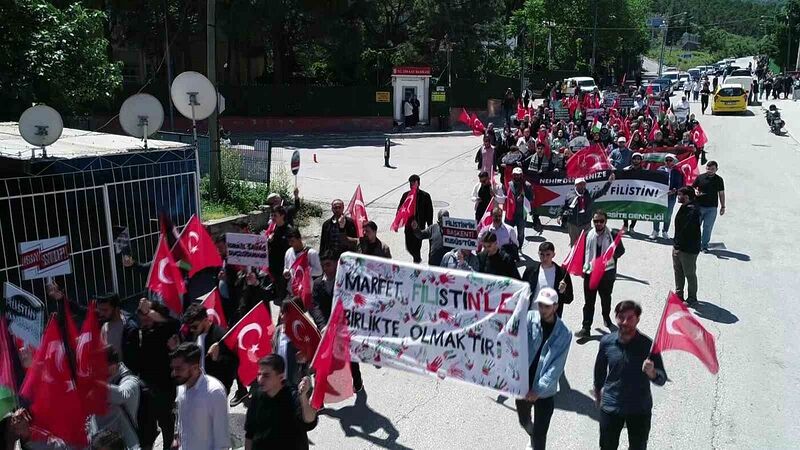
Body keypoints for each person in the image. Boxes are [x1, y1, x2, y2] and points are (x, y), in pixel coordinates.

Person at [593, 301, 667, 450]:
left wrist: (652, 373)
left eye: (630, 318)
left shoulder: (648, 346)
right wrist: (598, 394)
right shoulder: (606, 342)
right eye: (621, 317)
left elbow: (661, 379)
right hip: (611, 405)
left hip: (639, 408)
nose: (625, 322)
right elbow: (599, 370)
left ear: (638, 319)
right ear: (615, 317)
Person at [514, 288, 571, 450]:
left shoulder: (564, 333)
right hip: (523, 385)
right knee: (524, 420)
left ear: (555, 307)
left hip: (544, 392)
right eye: (540, 305)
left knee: (541, 434)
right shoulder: (529, 318)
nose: (543, 309)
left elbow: (556, 367)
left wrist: (538, 390)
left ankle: (536, 440)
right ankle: (531, 433)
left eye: (547, 306)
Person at [308, 251, 364, 393]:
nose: (326, 268)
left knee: (351, 357)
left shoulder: (347, 282)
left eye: (328, 264)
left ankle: (357, 382)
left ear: (336, 264)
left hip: (345, 327)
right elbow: (315, 306)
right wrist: (322, 325)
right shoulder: (317, 284)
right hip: (326, 330)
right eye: (323, 265)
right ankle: (319, 396)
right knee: (322, 362)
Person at [244, 355, 318, 450]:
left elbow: (309, 420)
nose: (260, 380)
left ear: (280, 377)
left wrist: (303, 397)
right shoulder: (258, 395)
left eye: (266, 375)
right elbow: (250, 432)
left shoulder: (293, 396)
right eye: (259, 374)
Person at [134, 299, 180, 445]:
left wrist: (149, 311)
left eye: (148, 318)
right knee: (148, 426)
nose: (145, 322)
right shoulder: (140, 332)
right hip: (146, 388)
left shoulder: (164, 331)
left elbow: (173, 323)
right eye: (142, 319)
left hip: (164, 387)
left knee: (166, 422)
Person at [574, 210, 625, 338]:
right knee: (588, 302)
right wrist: (582, 270)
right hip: (590, 273)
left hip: (606, 275)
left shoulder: (613, 234)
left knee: (606, 298)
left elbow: (621, 251)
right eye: (596, 221)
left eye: (601, 221)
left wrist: (611, 255)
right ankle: (586, 328)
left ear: (605, 221)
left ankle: (606, 317)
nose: (598, 224)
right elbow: (581, 253)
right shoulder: (587, 234)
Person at [170, 343, 230, 450]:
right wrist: (176, 437)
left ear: (195, 368)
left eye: (179, 369)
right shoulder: (181, 386)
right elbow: (180, 416)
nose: (174, 373)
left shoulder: (214, 392)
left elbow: (222, 441)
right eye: (173, 368)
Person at [91, 346, 141, 449]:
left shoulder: (130, 381)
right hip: (101, 444)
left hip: (126, 444)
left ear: (113, 367)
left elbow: (122, 395)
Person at [182, 304, 237, 394]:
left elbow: (232, 365)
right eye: (190, 327)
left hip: (214, 388)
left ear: (206, 320)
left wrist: (218, 359)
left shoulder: (221, 337)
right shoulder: (193, 333)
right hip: (196, 384)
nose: (192, 330)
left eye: (194, 327)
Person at [559, 175, 615, 246]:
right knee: (574, 244)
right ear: (576, 185)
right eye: (580, 184)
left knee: (585, 243)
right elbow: (563, 206)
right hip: (573, 225)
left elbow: (602, 191)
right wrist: (559, 215)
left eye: (583, 184)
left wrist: (609, 182)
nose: (582, 186)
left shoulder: (590, 194)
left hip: (586, 224)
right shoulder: (570, 195)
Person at [522, 242, 574, 317]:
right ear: (538, 254)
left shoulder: (562, 274)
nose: (545, 258)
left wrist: (563, 291)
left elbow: (569, 299)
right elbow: (521, 292)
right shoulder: (530, 271)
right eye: (542, 254)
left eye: (548, 254)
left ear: (553, 254)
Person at [96, 293, 140, 373]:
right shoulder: (104, 325)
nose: (101, 313)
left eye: (105, 310)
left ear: (116, 309)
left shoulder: (129, 328)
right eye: (100, 310)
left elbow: (135, 358)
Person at [672, 186, 702, 304]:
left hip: (688, 249)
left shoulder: (693, 210)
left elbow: (687, 229)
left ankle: (692, 298)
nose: (678, 197)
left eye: (680, 195)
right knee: (678, 271)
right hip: (678, 246)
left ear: (687, 196)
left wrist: (679, 243)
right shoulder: (684, 207)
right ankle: (679, 295)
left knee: (689, 273)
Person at [399, 174, 434, 263]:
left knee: (417, 247)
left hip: (419, 228)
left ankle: (417, 261)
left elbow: (429, 212)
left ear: (418, 183)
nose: (412, 186)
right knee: (409, 247)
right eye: (411, 184)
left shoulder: (425, 196)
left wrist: (430, 226)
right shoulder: (406, 196)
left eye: (414, 183)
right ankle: (416, 258)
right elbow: (400, 209)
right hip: (408, 227)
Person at [692, 161, 725, 252]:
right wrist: (695, 191)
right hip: (699, 206)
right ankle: (695, 244)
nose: (710, 170)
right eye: (708, 168)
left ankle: (704, 246)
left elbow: (721, 194)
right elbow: (693, 187)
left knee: (707, 228)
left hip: (712, 208)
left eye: (712, 169)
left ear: (716, 169)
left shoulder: (719, 180)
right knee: (695, 226)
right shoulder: (700, 177)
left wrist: (723, 206)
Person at [651, 154, 684, 239]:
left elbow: (679, 184)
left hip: (671, 197)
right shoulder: (659, 169)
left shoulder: (677, 172)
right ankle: (655, 230)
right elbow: (655, 182)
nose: (668, 162)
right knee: (657, 213)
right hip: (660, 196)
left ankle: (665, 231)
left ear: (673, 161)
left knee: (668, 215)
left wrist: (674, 190)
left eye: (670, 160)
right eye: (667, 160)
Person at [283, 227, 323, 293]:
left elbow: (319, 272)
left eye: (292, 241)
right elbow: (286, 268)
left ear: (299, 239)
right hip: (292, 290)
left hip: (306, 291)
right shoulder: (289, 252)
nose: (290, 244)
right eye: (289, 241)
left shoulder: (311, 253)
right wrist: (286, 273)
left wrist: (305, 269)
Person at [268, 205, 292, 302]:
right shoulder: (273, 228)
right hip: (274, 264)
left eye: (275, 215)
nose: (273, 218)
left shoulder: (289, 230)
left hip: (284, 265)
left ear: (282, 216)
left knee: (283, 290)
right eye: (272, 215)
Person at [506, 167, 534, 249]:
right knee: (507, 232)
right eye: (515, 175)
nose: (516, 177)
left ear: (521, 175)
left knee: (520, 233)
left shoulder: (527, 185)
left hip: (521, 213)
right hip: (510, 213)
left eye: (518, 175)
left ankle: (519, 247)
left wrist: (524, 197)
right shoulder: (509, 184)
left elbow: (531, 198)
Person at [622, 153, 646, 232]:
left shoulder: (644, 171)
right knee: (626, 210)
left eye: (638, 159)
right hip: (627, 193)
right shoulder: (626, 170)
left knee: (636, 211)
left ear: (641, 161)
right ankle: (625, 225)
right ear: (632, 160)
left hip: (638, 194)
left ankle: (632, 227)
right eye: (635, 159)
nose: (636, 160)